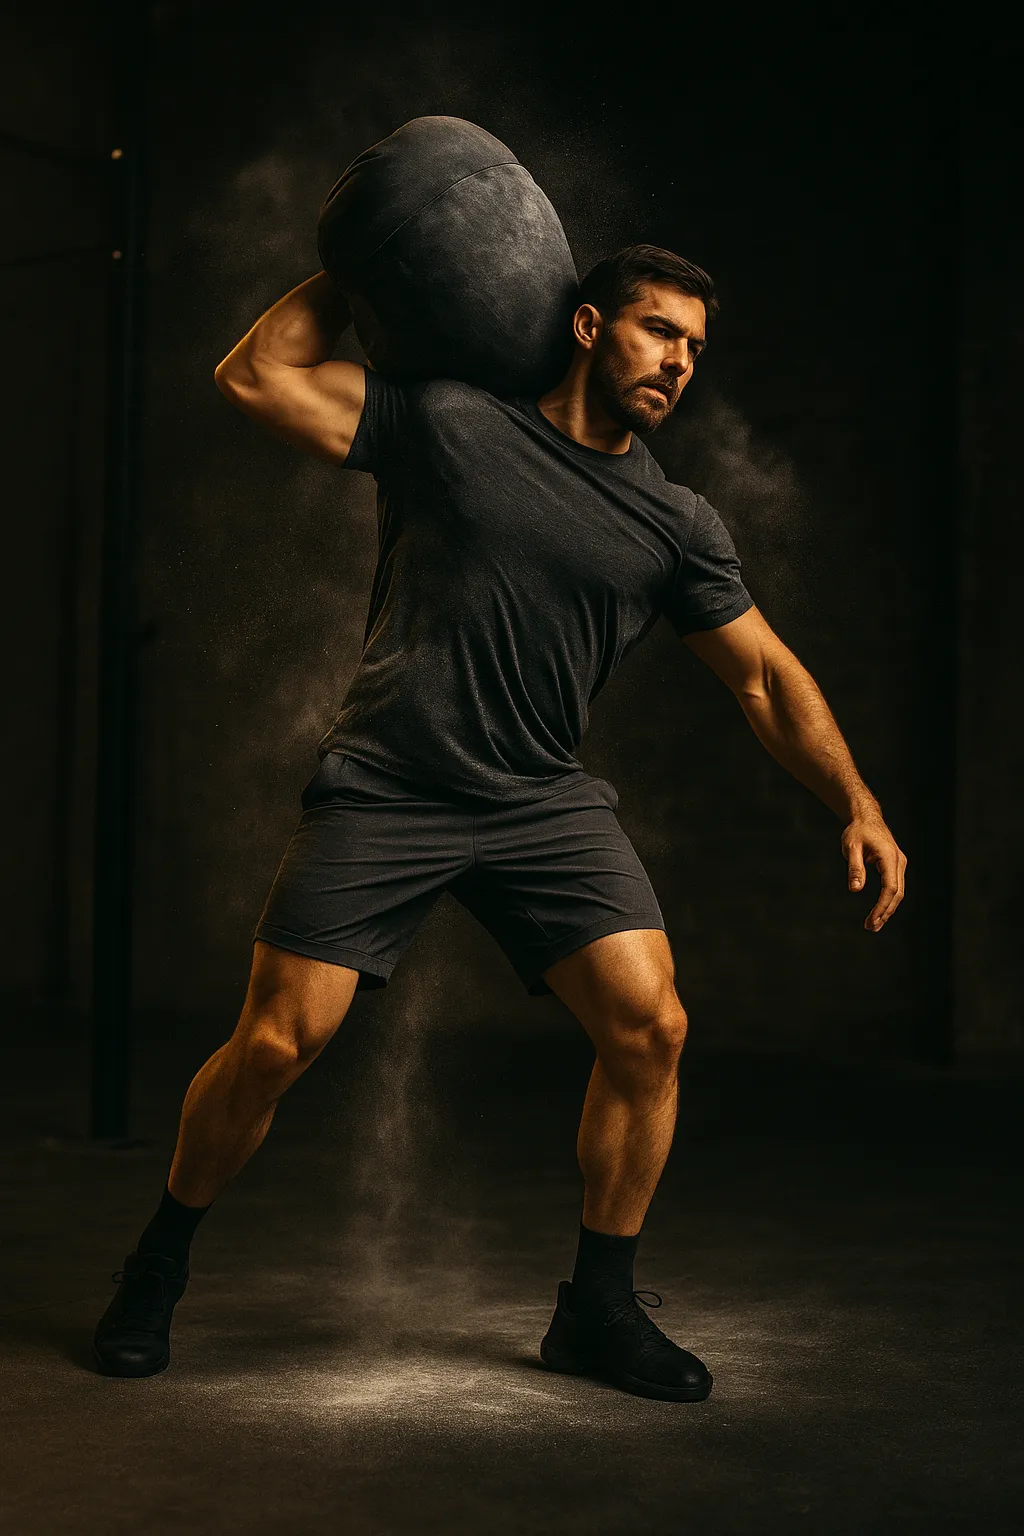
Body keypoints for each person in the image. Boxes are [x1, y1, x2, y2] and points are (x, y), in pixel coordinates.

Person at [93, 245, 907, 1400]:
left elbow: (765, 680)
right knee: (278, 1043)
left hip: (538, 800)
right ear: (586, 327)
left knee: (652, 1028)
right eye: (656, 331)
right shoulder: (451, 425)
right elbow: (256, 377)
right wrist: (358, 248)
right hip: (389, 780)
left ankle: (597, 1312)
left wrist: (857, 805)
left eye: (692, 347)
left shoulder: (674, 523)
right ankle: (156, 1265)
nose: (677, 362)